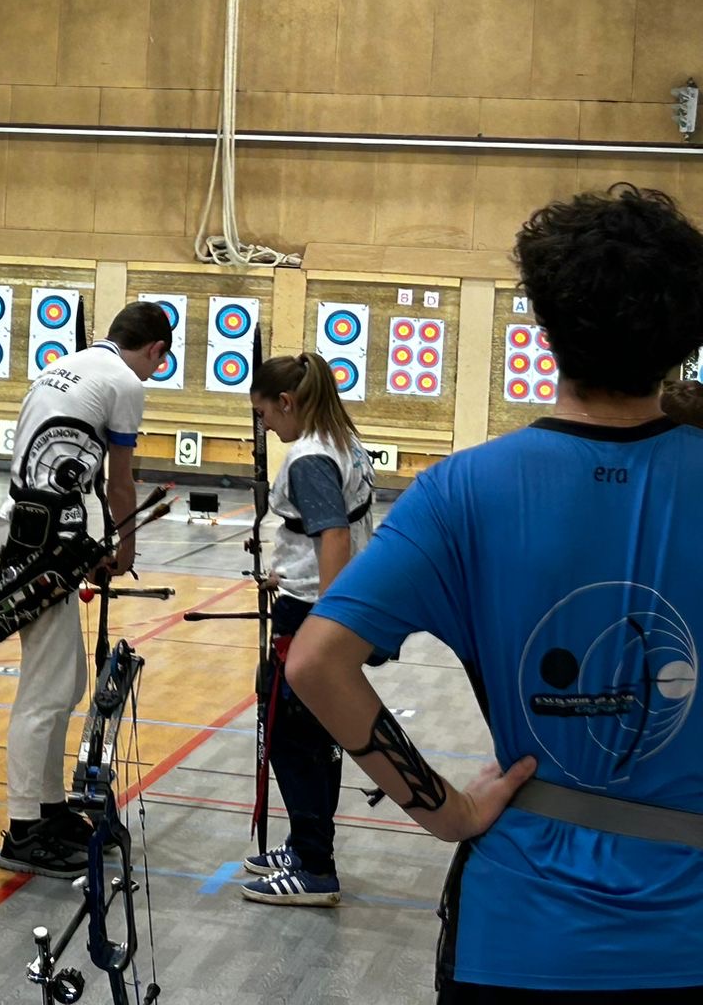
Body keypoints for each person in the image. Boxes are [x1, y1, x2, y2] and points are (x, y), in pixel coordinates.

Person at [291, 185, 703, 1003]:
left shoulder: (463, 491)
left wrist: (445, 811)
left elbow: (315, 664)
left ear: (545, 329)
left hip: (519, 933)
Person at [0, 300, 172, 876]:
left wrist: (88, 546)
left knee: (66, 681)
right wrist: (125, 549)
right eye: (159, 363)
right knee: (45, 689)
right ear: (155, 349)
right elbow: (120, 482)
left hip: (41, 529)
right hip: (41, 538)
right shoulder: (124, 381)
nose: (152, 374)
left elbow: (64, 471)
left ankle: (49, 809)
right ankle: (24, 830)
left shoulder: (66, 366)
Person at [236, 352, 376, 906]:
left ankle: (316, 867)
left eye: (266, 414)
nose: (267, 426)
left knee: (295, 738)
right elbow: (324, 533)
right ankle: (304, 845)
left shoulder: (310, 456)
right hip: (327, 603)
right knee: (314, 735)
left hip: (314, 616)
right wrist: (290, 571)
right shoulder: (342, 440)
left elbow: (334, 536)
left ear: (287, 402)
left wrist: (326, 625)